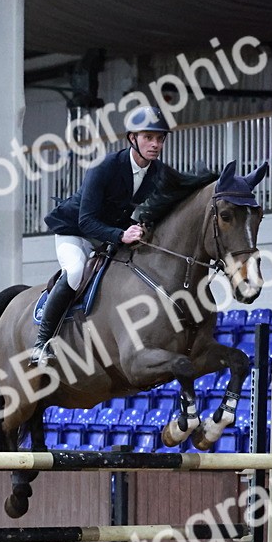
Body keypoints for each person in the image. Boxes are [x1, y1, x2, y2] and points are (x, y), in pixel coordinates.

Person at [34, 106, 171, 363]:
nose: (155, 144)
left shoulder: (156, 172)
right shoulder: (105, 166)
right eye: (148, 137)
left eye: (160, 138)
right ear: (132, 138)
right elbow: (87, 221)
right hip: (75, 230)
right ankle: (42, 342)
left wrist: (140, 227)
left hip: (107, 232)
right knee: (75, 271)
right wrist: (121, 236)